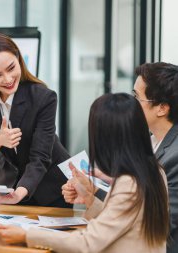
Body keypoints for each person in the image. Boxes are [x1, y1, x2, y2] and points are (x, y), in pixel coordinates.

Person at [0, 93, 169, 252]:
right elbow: (121, 221)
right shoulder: (153, 170)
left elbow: (87, 243)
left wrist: (27, 235)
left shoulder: (129, 183)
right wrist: (90, 197)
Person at [62, 62, 178, 253]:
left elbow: (156, 221)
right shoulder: (150, 141)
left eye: (137, 97)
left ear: (162, 108)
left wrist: (95, 193)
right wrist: (92, 190)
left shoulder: (174, 156)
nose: (131, 103)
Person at [0, 33, 70, 207]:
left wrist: (19, 195)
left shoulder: (43, 97)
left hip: (50, 189)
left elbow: (40, 158)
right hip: (9, 187)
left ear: (18, 58)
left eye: (11, 68)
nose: (8, 80)